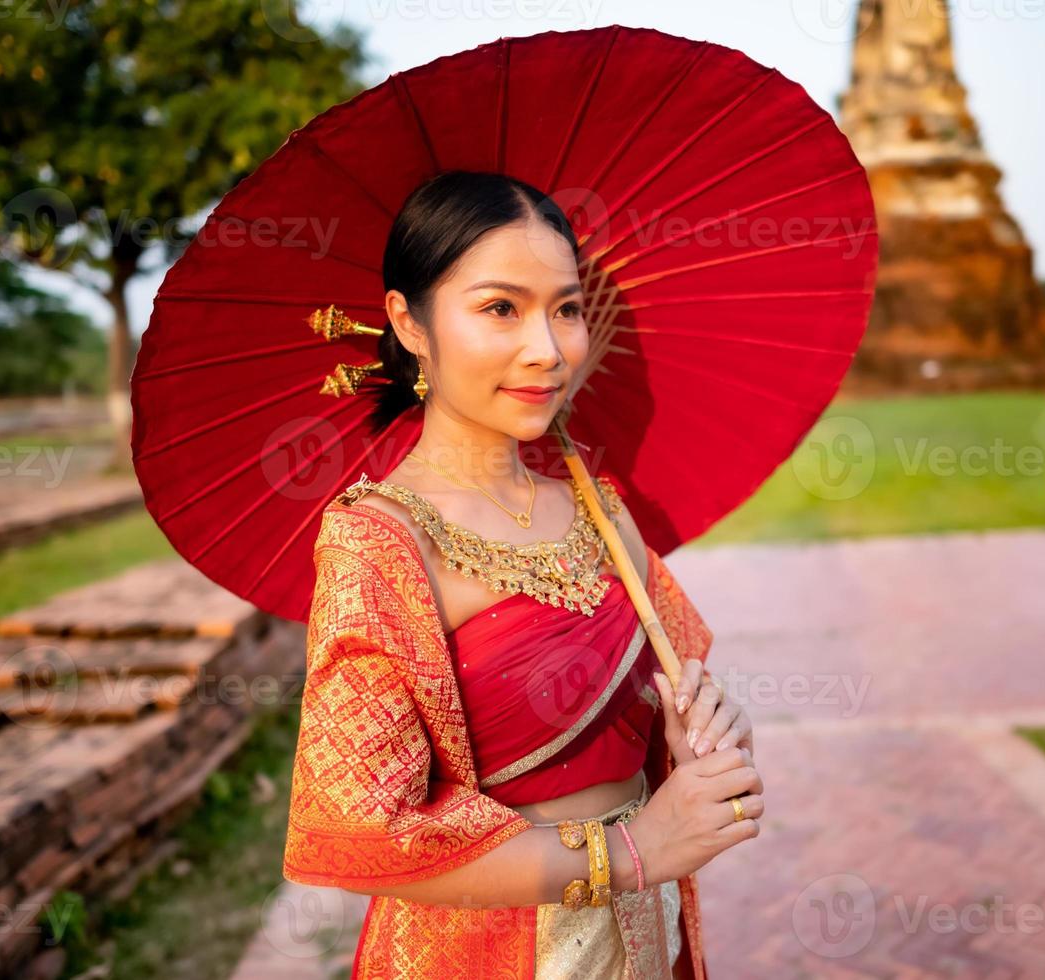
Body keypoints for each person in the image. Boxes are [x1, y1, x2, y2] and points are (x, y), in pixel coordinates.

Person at [282, 171, 763, 979]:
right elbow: (366, 827)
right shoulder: (379, 543)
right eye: (501, 308)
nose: (549, 350)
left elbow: (667, 705)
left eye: (567, 308)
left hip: (644, 939)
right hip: (481, 953)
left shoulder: (602, 509)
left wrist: (699, 736)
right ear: (410, 323)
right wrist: (633, 851)